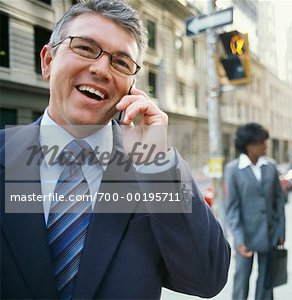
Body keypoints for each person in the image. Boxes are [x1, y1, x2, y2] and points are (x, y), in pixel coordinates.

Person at [0, 0, 230, 299]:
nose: (101, 69)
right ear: (48, 61)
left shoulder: (152, 168)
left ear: (132, 87)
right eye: (84, 47)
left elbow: (208, 278)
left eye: (121, 62)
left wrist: (156, 163)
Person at [225, 123, 286, 300]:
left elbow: (278, 201)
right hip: (246, 236)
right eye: (262, 142)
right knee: (241, 279)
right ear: (249, 145)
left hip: (270, 233)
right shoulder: (233, 170)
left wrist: (281, 231)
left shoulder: (270, 167)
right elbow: (232, 208)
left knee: (267, 280)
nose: (266, 145)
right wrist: (238, 239)